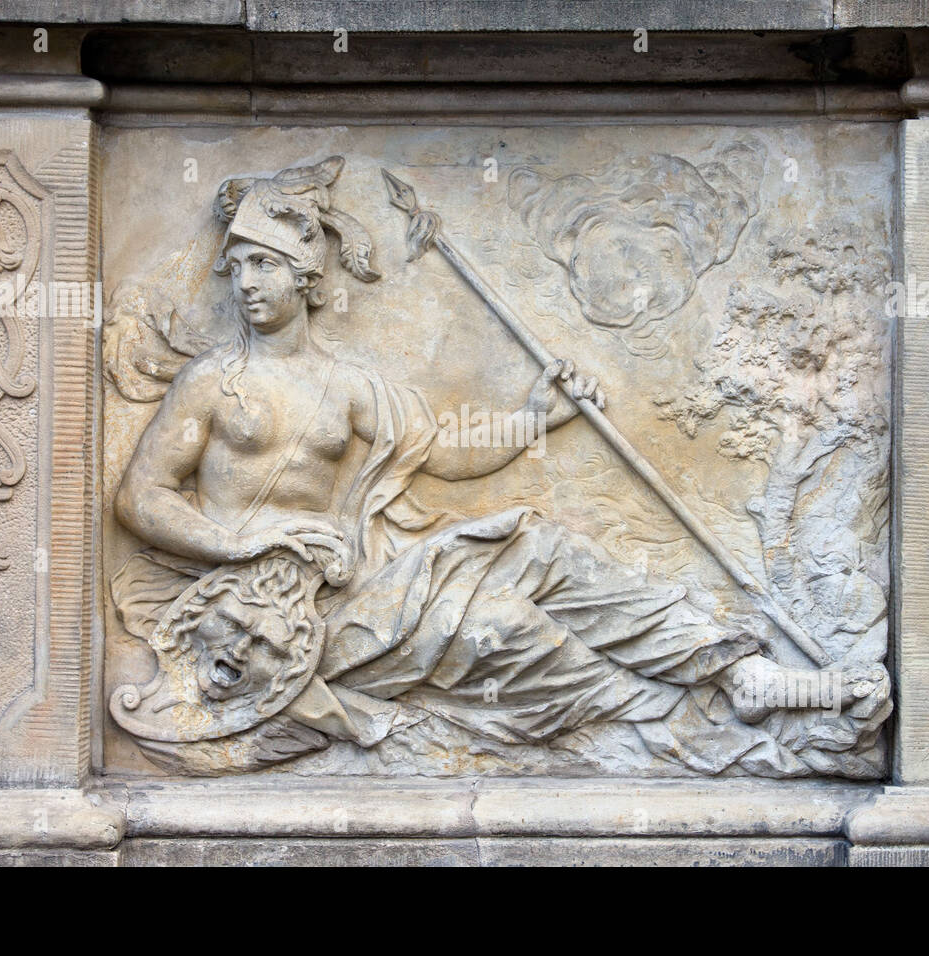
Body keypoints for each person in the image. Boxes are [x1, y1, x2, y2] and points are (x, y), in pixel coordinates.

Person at [110, 164, 889, 776]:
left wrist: (536, 414)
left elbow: (447, 454)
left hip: (353, 591)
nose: (245, 282)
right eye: (237, 265)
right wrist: (243, 546)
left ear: (308, 279)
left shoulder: (349, 387)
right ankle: (689, 710)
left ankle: (734, 668)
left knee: (544, 550)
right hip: (269, 627)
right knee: (499, 626)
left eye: (264, 266)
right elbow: (141, 498)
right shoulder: (214, 381)